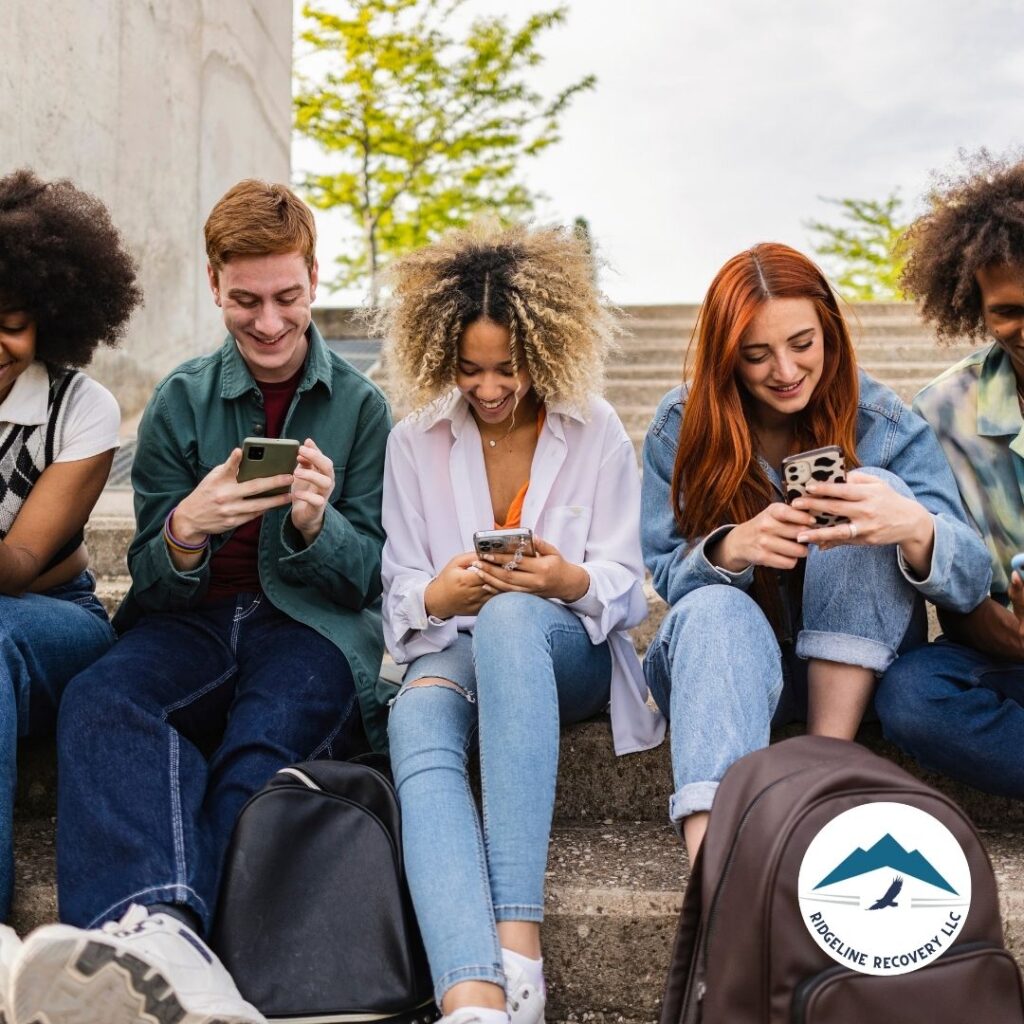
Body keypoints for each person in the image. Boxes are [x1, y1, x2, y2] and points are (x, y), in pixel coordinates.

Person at [9, 180, 390, 1024]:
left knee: (258, 754)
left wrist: (315, 524)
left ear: (315, 279)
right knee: (103, 699)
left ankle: (162, 944)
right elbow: (149, 574)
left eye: (287, 297)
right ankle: (154, 942)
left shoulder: (363, 409)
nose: (267, 322)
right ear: (214, 283)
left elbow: (368, 581)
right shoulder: (181, 398)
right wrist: (187, 527)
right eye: (245, 299)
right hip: (192, 623)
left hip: (311, 629)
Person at [378, 222, 663, 1024]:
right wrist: (439, 595)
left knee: (511, 617)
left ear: (545, 347)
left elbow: (625, 588)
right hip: (455, 652)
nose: (490, 386)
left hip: (563, 652)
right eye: (470, 370)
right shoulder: (415, 440)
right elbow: (400, 588)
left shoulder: (594, 427)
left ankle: (519, 948)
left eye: (509, 367)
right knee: (419, 711)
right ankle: (472, 998)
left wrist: (559, 578)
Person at [640, 242, 992, 860]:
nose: (784, 370)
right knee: (715, 609)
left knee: (869, 493)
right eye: (756, 355)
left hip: (860, 680)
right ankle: (714, 870)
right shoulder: (681, 424)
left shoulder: (881, 418)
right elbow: (668, 574)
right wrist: (732, 549)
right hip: (730, 674)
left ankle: (825, 770)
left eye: (802, 344)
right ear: (727, 357)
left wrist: (911, 526)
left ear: (828, 329)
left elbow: (969, 580)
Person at [0, 170, 140, 930]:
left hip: (56, 617)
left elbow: (22, 564)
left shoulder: (81, 408)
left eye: (13, 321)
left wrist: (47, 565)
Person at [875, 154, 1024, 794]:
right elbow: (958, 605)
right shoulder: (941, 413)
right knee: (911, 694)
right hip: (1012, 659)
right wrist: (1012, 633)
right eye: (1009, 310)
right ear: (974, 306)